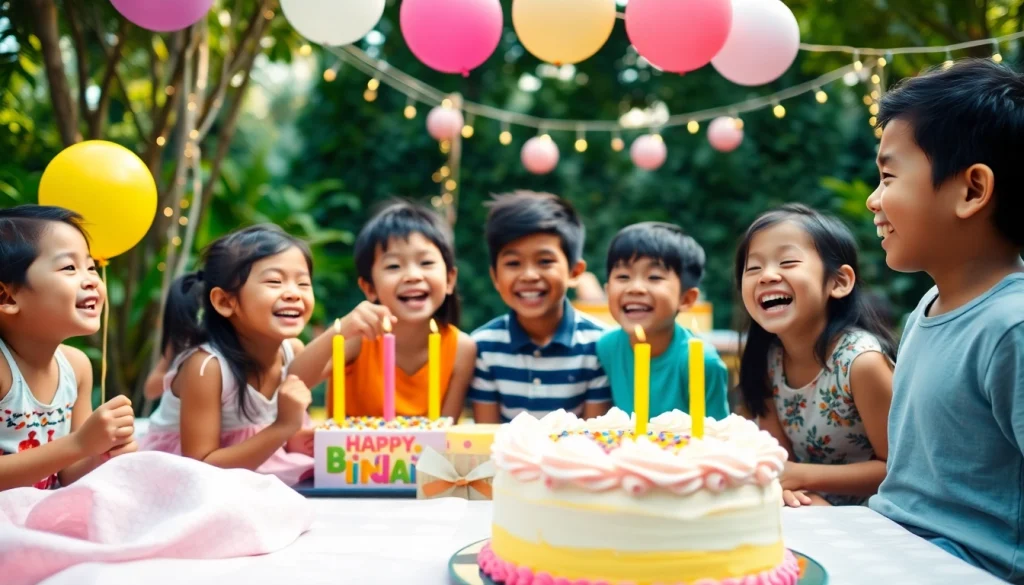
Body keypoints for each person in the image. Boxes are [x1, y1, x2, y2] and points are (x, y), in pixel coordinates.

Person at [865, 59, 1024, 584]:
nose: (874, 199)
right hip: (889, 546)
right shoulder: (928, 306)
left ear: (973, 191)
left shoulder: (1012, 327)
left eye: (888, 176)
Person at [735, 204, 895, 507]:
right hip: (809, 507)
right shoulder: (768, 361)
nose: (767, 276)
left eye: (788, 262)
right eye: (753, 268)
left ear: (838, 282)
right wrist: (793, 487)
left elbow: (899, 471)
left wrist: (800, 477)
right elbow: (780, 462)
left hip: (878, 517)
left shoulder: (862, 363)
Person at [140, 225, 315, 486]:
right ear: (225, 302)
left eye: (303, 283)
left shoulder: (291, 351)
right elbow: (201, 466)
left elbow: (273, 432)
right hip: (184, 480)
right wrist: (283, 427)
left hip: (249, 467)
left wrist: (295, 436)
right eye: (274, 281)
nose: (293, 293)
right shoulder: (206, 367)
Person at [288, 201, 476, 420]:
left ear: (450, 279)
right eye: (394, 266)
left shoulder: (461, 350)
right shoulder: (357, 338)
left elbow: (446, 436)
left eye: (425, 262)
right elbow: (293, 379)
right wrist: (340, 330)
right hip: (348, 454)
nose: (413, 275)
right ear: (369, 288)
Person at [0, 205, 136, 491]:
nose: (91, 280)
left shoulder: (76, 367)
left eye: (91, 267)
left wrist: (102, 451)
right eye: (69, 268)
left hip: (44, 512)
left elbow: (68, 474)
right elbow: (74, 447)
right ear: (6, 296)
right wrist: (80, 443)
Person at [468, 191, 611, 423]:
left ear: (575, 272)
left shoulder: (599, 346)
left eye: (545, 261)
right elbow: (488, 438)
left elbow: (594, 439)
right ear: (495, 276)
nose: (529, 275)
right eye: (513, 263)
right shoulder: (483, 347)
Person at [596, 222, 730, 420]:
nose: (636, 288)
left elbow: (717, 436)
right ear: (607, 292)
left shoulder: (702, 362)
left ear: (686, 299)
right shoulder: (606, 347)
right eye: (623, 276)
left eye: (654, 277)